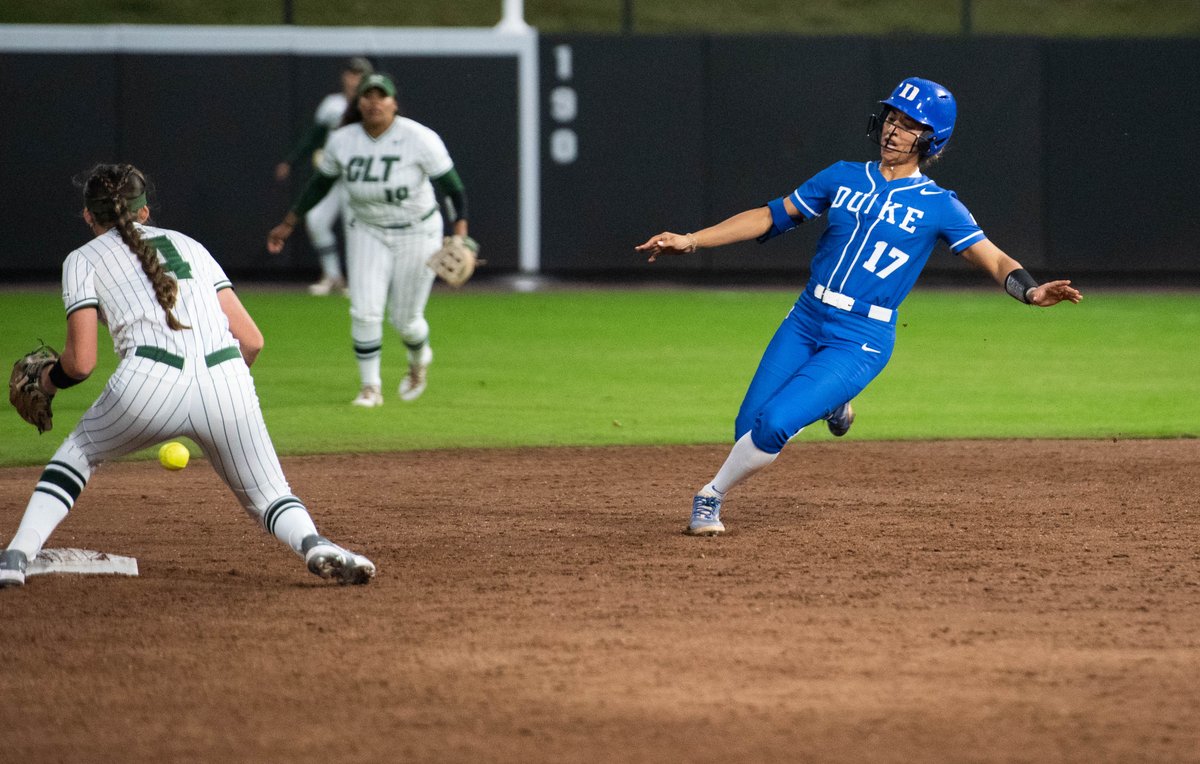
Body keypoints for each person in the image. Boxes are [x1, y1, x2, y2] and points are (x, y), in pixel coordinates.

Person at [635, 76, 1082, 537]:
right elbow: (771, 215)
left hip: (860, 339)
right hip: (807, 317)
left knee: (771, 427)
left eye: (910, 124)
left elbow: (991, 256)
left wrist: (1030, 291)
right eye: (892, 117)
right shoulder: (843, 176)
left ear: (931, 138)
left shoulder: (939, 206)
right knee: (746, 428)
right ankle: (835, 405)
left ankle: (709, 497)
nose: (894, 129)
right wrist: (691, 240)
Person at [0, 164, 375, 588]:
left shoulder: (81, 260)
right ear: (143, 213)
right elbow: (251, 341)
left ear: (89, 215)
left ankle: (16, 556)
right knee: (270, 494)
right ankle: (316, 544)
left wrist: (46, 382)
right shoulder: (190, 245)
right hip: (228, 379)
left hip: (147, 383)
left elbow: (81, 363)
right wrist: (212, 395)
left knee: (80, 453)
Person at [267, 72, 471, 408]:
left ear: (394, 102)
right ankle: (370, 387)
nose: (374, 102)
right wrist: (289, 222)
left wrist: (460, 234)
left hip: (417, 230)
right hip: (367, 228)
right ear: (358, 102)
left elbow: (453, 188)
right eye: (368, 96)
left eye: (382, 96)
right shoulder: (343, 140)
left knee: (406, 321)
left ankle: (419, 357)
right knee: (364, 311)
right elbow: (320, 184)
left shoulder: (419, 138)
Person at [273, 56, 373, 297]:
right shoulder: (332, 105)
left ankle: (359, 281)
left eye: (359, 75)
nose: (353, 79)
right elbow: (314, 137)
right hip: (332, 176)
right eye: (350, 74)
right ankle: (332, 275)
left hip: (358, 178)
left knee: (356, 230)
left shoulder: (372, 106)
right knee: (316, 221)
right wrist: (291, 161)